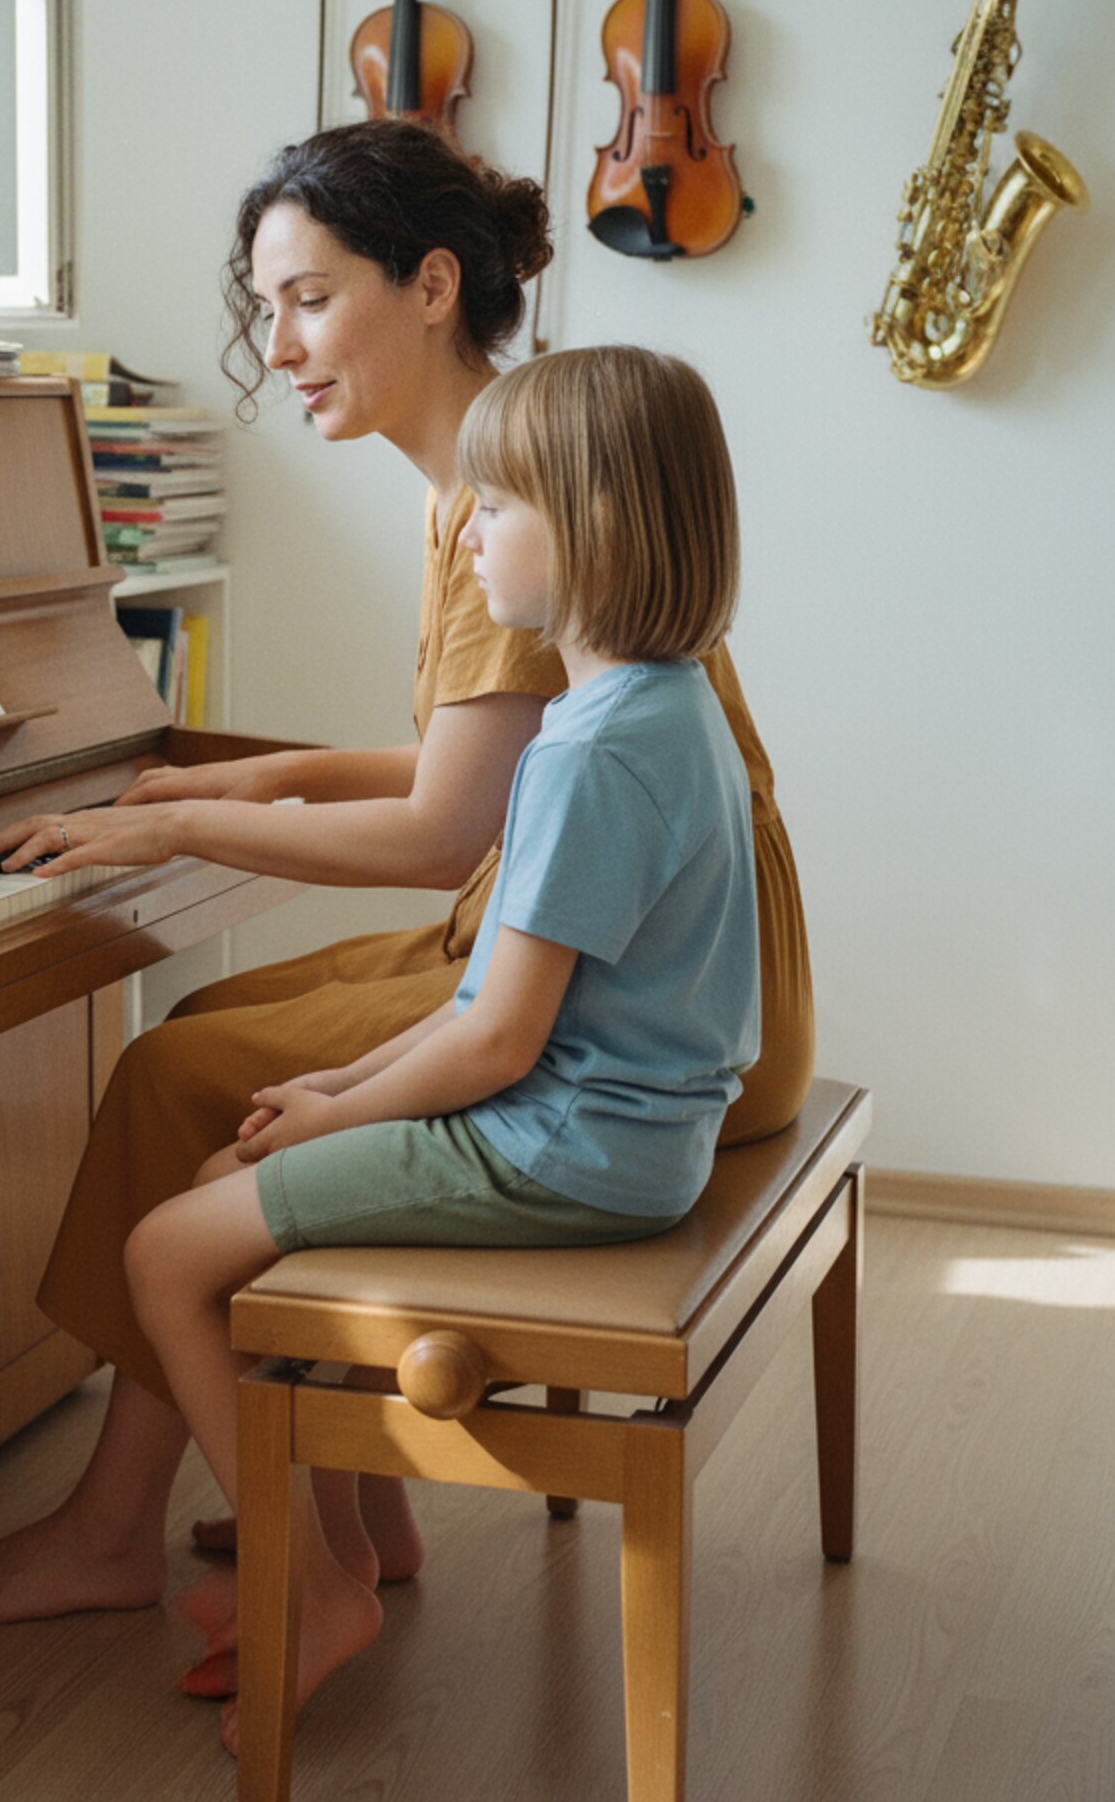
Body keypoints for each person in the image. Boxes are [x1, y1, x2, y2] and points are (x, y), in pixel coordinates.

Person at [0, 120, 813, 1629]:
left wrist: (181, 825)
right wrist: (264, 774)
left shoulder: (527, 494)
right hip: (646, 974)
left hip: (647, 1019)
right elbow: (487, 782)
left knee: (185, 1078)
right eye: (268, 307)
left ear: (432, 284)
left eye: (310, 299)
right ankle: (354, 1511)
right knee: (216, 1051)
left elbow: (449, 838)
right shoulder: (526, 470)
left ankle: (126, 1523)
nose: (282, 344)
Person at [126, 344, 760, 1749]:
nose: (465, 529)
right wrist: (345, 1084)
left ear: (590, 529)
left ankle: (314, 1590)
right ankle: (351, 1548)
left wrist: (344, 1117)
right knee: (260, 1174)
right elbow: (499, 1006)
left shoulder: (592, 752)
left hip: (567, 1153)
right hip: (619, 1128)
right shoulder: (661, 706)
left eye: (496, 506)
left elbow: (494, 1043)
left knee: (171, 1251)